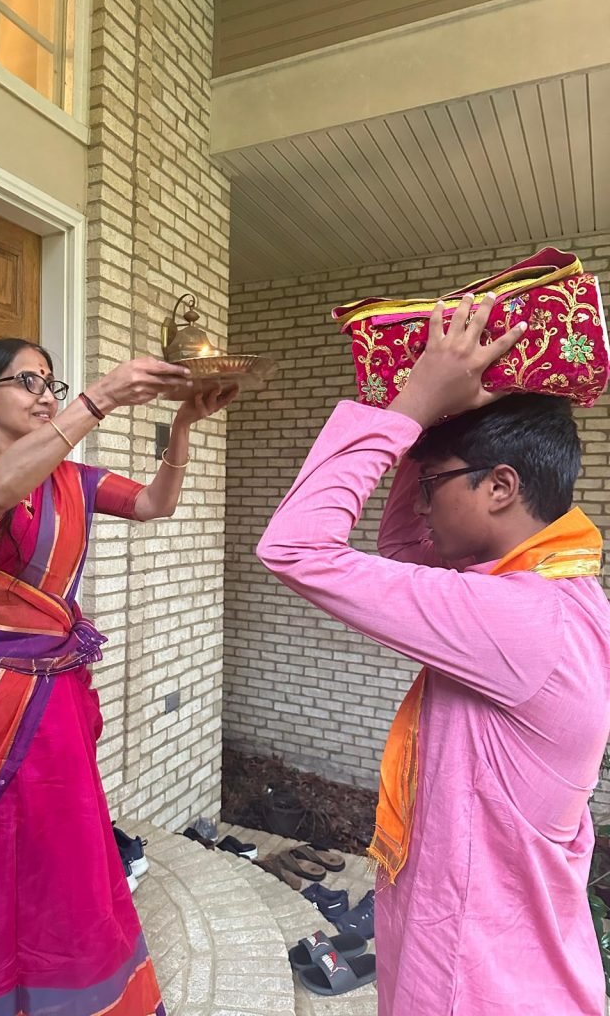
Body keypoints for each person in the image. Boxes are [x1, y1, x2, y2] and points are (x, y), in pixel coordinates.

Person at [256, 292, 610, 1015]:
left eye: (434, 482)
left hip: (475, 982)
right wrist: (431, 423)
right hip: (509, 960)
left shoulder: (518, 617)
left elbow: (294, 546)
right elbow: (406, 549)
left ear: (501, 487)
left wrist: (413, 403)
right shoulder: (557, 589)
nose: (417, 500)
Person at [0, 338, 236, 1016]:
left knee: (62, 855)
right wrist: (100, 396)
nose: (46, 391)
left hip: (51, 702)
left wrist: (183, 429)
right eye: (26, 381)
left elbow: (151, 506)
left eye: (52, 380)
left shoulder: (70, 481)